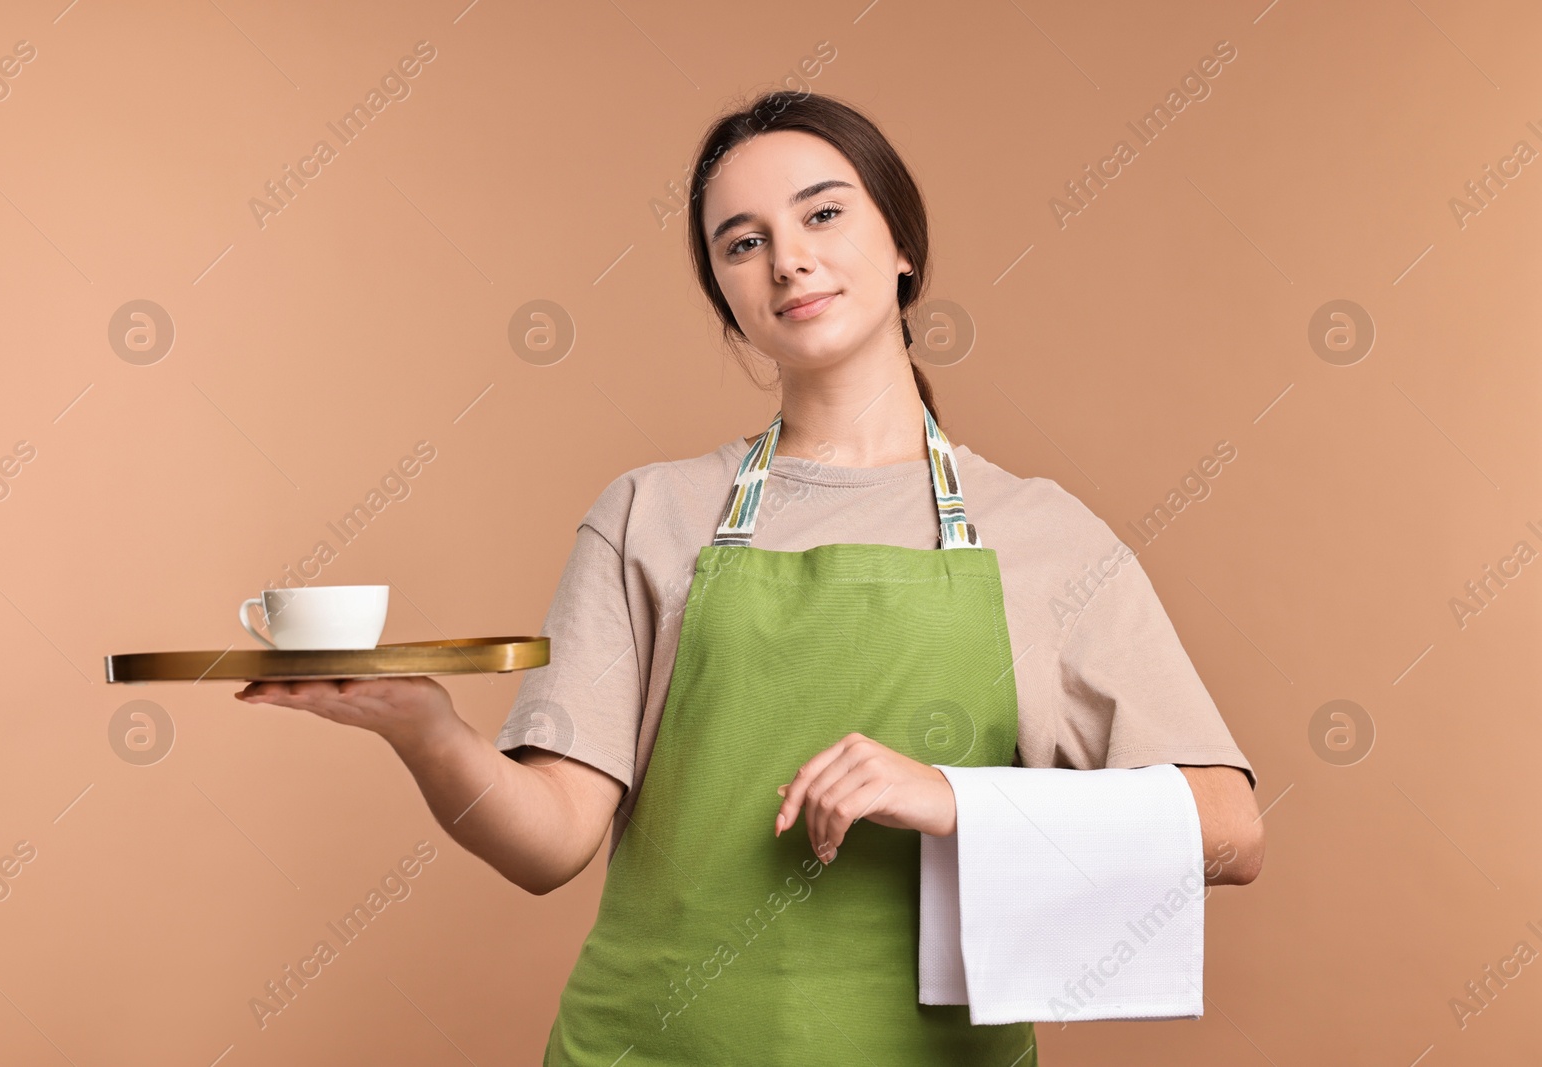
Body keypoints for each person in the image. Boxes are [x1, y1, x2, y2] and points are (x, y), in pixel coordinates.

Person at [236, 91, 1264, 1064]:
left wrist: (950, 795)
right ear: (727, 301)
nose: (789, 259)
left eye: (822, 212)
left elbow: (1227, 825)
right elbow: (550, 841)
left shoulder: (1043, 535)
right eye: (743, 241)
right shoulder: (649, 511)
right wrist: (427, 730)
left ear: (902, 247)